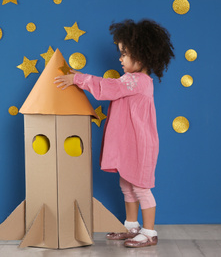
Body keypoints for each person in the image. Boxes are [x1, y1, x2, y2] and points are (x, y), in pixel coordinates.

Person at [54, 19, 174, 248]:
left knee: (141, 187)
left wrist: (77, 78)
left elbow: (109, 89)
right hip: (130, 143)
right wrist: (80, 78)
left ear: (141, 56)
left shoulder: (136, 81)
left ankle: (149, 232)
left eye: (124, 54)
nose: (120, 58)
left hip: (140, 144)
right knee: (127, 184)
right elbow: (113, 87)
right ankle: (131, 225)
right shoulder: (134, 80)